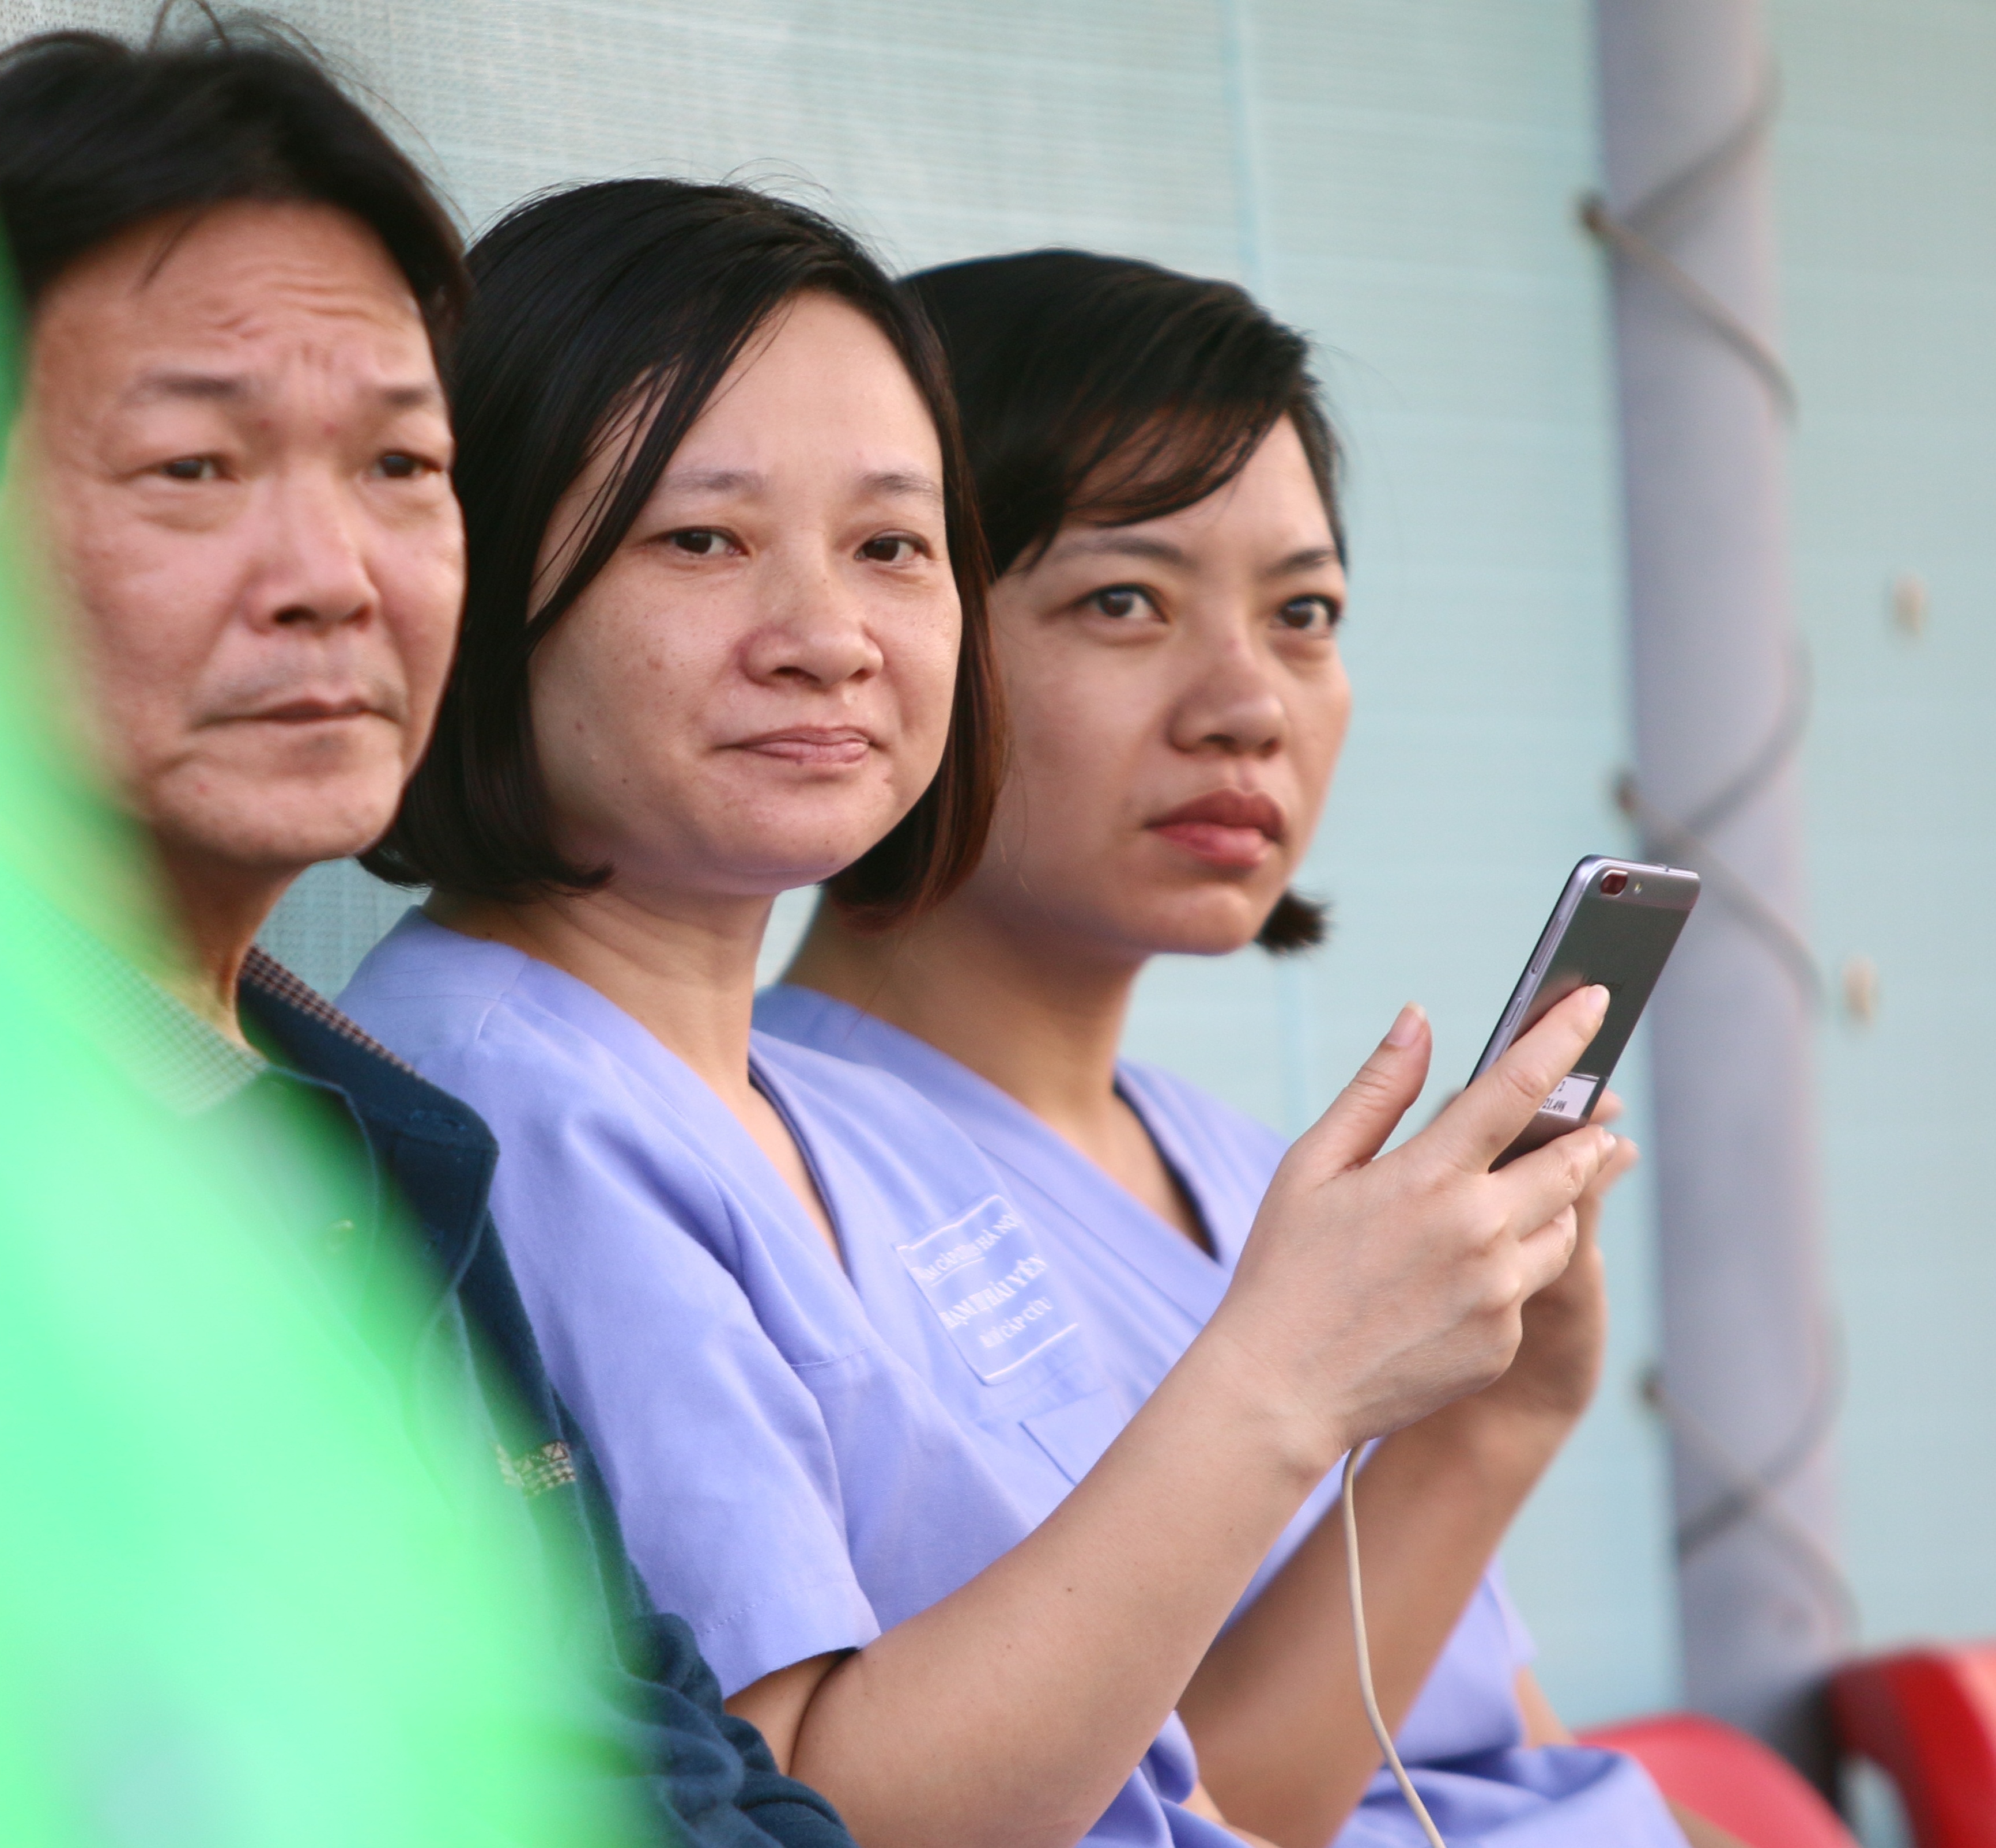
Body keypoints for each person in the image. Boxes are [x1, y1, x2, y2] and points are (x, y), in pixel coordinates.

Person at [339, 175, 1620, 1848]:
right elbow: (811, 1810)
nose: (827, 639)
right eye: (701, 540)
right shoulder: (517, 1100)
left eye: (891, 548)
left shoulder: (813, 1123)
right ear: (481, 577)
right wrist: (1289, 1377)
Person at [0, 22, 854, 1848]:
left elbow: (654, 1752)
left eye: (399, 468)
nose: (334, 575)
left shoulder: (366, 1133)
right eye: (195, 473)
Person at [758, 249, 1723, 1848]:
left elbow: (1512, 1749)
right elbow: (1183, 1813)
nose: (1247, 703)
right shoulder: (767, 1167)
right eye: (1123, 601)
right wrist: (1472, 1434)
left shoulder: (1242, 1168)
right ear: (896, 618)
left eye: (1306, 614)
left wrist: (1505, 1403)